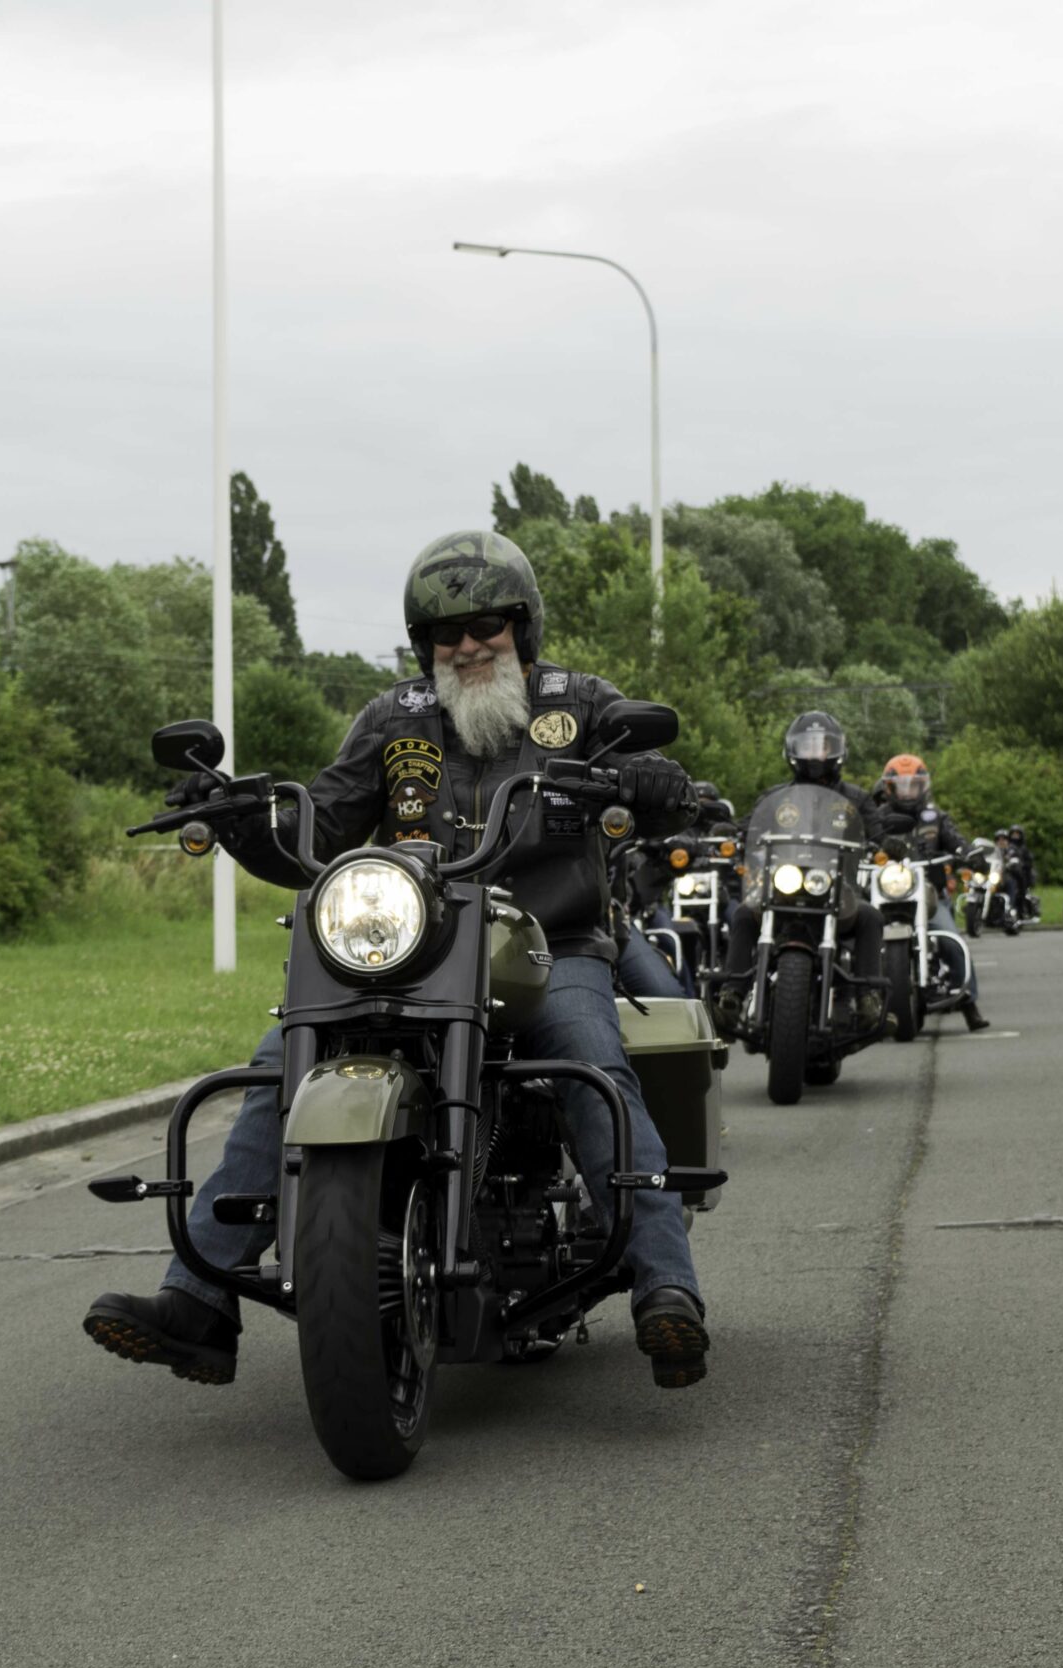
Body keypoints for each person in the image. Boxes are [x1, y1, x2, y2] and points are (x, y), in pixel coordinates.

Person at [83, 530, 711, 1389]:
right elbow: (317, 826)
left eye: (486, 625)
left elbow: (657, 787)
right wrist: (239, 818)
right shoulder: (393, 719)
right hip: (411, 944)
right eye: (446, 632)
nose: (468, 645)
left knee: (591, 1060)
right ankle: (197, 1300)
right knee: (282, 1062)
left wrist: (660, 784)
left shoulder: (581, 704)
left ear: (522, 627)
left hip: (548, 943)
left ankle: (665, 1285)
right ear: (424, 644)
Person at [717, 711, 885, 1029]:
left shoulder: (857, 799)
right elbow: (748, 827)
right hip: (783, 885)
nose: (815, 754)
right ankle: (732, 994)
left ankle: (868, 996)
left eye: (822, 746)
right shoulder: (775, 797)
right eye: (807, 746)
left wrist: (888, 844)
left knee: (870, 917)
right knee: (743, 914)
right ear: (793, 750)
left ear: (837, 750)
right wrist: (731, 834)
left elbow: (878, 833)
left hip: (838, 888)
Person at [868, 753, 966, 862]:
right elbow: (861, 845)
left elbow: (957, 842)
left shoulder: (936, 817)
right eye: (901, 786)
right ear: (889, 788)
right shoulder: (876, 818)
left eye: (913, 785)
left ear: (922, 786)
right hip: (886, 871)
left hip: (928, 871)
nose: (907, 793)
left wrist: (970, 853)